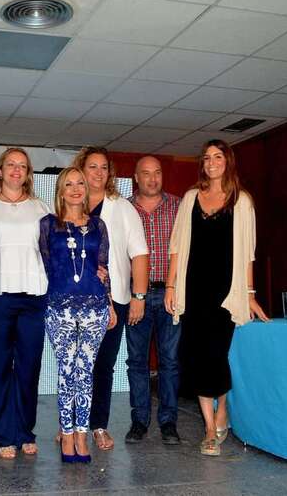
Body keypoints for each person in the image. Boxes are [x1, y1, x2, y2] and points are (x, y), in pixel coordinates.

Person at [164, 139, 269, 457]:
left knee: (217, 355)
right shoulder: (191, 198)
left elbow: (248, 253)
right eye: (206, 157)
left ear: (228, 161)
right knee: (195, 356)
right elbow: (177, 246)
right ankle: (210, 428)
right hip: (193, 289)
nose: (211, 162)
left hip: (226, 291)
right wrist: (170, 286)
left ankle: (222, 406)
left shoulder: (242, 200)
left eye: (218, 156)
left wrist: (249, 295)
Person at [0, 147, 51, 459]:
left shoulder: (41, 208)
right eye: (11, 165)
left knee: (29, 368)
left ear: (29, 174)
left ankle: (25, 432)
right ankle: (2, 437)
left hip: (33, 297)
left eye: (23, 166)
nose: (17, 170)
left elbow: (50, 251)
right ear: (0, 171)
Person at [72, 147, 149, 451]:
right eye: (92, 167)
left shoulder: (122, 208)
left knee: (102, 365)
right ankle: (72, 425)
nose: (98, 173)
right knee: (75, 365)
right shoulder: (67, 206)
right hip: (72, 300)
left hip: (112, 300)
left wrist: (138, 296)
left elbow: (139, 253)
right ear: (81, 169)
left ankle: (98, 425)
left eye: (104, 167)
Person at [39, 167, 114, 463]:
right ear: (60, 190)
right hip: (59, 306)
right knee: (66, 370)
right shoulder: (48, 224)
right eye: (68, 184)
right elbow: (45, 266)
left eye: (79, 183)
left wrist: (108, 303)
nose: (75, 188)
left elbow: (104, 267)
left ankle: (82, 434)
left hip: (95, 305)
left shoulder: (99, 225)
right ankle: (66, 434)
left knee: (85, 371)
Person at [126, 156, 182, 445]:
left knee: (170, 361)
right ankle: (139, 421)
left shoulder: (179, 206)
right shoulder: (124, 208)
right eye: (145, 174)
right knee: (136, 361)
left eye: (157, 173)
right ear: (136, 177)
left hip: (171, 293)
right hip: (136, 296)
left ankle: (169, 422)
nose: (152, 179)